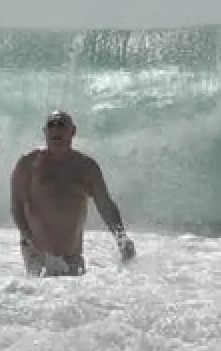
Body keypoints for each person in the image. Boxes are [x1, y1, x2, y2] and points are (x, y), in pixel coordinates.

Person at [10, 110, 136, 276]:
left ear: (73, 131)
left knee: (74, 299)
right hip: (38, 254)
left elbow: (106, 206)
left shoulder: (86, 168)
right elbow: (16, 206)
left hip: (72, 256)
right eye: (51, 125)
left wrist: (122, 238)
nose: (56, 129)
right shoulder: (28, 163)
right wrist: (28, 238)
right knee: (41, 297)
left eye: (61, 124)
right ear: (45, 132)